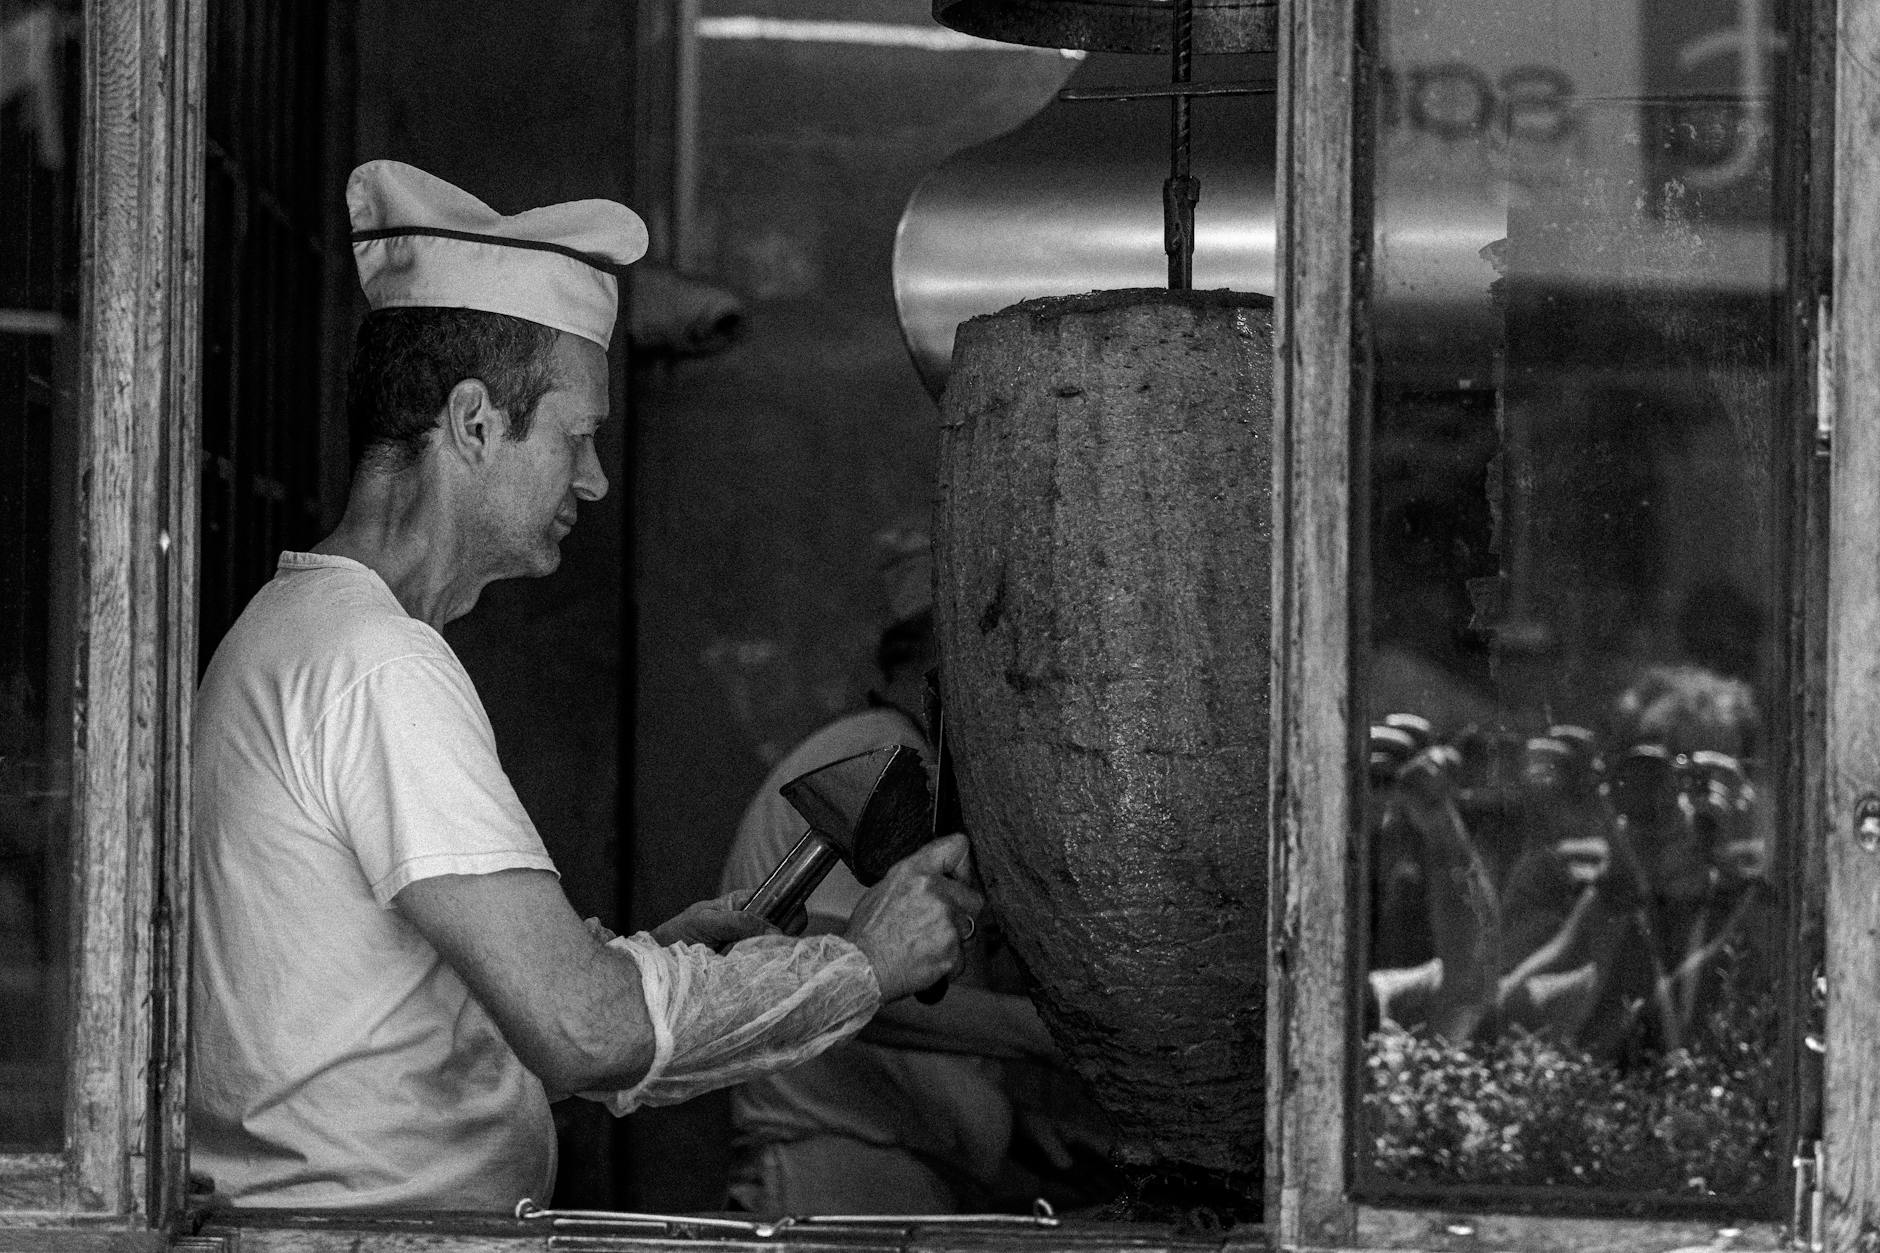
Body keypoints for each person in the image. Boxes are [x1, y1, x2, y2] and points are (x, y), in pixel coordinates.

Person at [189, 160, 980, 1212]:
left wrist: (676, 953)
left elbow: (483, 1002)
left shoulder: (304, 631)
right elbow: (580, 1029)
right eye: (576, 435)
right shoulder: (378, 665)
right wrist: (864, 961)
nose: (594, 477)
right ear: (474, 424)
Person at [718, 537, 1093, 1215]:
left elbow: (913, 1006)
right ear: (940, 659)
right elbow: (842, 981)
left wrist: (1007, 1124)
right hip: (836, 1179)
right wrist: (1050, 1033)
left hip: (880, 1178)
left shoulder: (925, 771)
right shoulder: (880, 755)